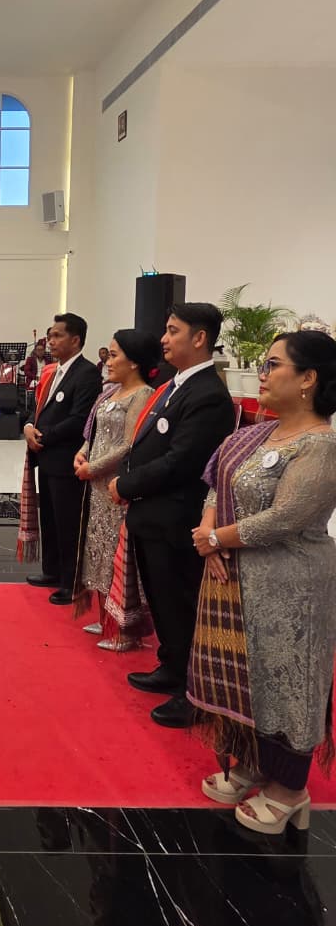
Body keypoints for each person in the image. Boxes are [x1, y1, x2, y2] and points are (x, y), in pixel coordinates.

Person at [189, 330, 336, 834]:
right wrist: (210, 533)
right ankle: (253, 761)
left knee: (287, 679)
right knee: (249, 676)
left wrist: (216, 539)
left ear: (308, 379)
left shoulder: (321, 445)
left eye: (273, 364)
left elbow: (285, 518)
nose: (262, 373)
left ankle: (290, 790)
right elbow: (219, 482)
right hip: (236, 577)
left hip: (291, 586)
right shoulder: (259, 433)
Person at [109, 303, 236, 728]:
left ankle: (192, 691)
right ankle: (171, 664)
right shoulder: (175, 385)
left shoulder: (208, 395)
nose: (163, 339)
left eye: (172, 330)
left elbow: (182, 461)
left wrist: (126, 484)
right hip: (152, 516)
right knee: (162, 599)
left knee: (181, 603)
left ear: (199, 338)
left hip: (176, 519)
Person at [73, 330, 159, 650]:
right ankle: (105, 618)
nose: (108, 361)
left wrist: (93, 467)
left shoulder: (143, 395)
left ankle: (126, 630)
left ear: (134, 361)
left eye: (114, 355)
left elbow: (129, 445)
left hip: (116, 488)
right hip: (96, 488)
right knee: (98, 552)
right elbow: (94, 433)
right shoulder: (110, 392)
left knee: (117, 556)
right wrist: (83, 452)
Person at [19, 314, 102, 603]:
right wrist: (29, 426)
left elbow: (80, 419)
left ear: (75, 340)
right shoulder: (53, 371)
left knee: (68, 523)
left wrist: (43, 436)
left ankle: (72, 581)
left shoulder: (87, 373)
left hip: (67, 460)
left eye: (57, 336)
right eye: (50, 335)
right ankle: (52, 570)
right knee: (51, 518)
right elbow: (39, 407)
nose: (50, 341)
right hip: (46, 458)